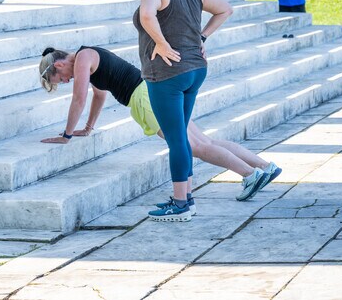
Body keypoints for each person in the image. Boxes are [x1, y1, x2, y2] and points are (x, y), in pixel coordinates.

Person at [39, 46, 282, 212]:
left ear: (59, 64)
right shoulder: (89, 56)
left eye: (60, 79)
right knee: (204, 142)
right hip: (151, 92)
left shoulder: (82, 57)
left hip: (145, 99)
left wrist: (66, 135)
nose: (66, 81)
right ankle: (263, 166)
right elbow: (99, 95)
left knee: (194, 147)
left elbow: (78, 98)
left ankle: (250, 175)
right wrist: (88, 127)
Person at [132, 0, 265, 222]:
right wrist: (201, 38)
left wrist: (161, 43)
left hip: (167, 73)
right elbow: (225, 10)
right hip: (195, 70)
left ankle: (181, 203)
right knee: (180, 134)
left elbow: (147, 16)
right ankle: (186, 196)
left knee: (176, 138)